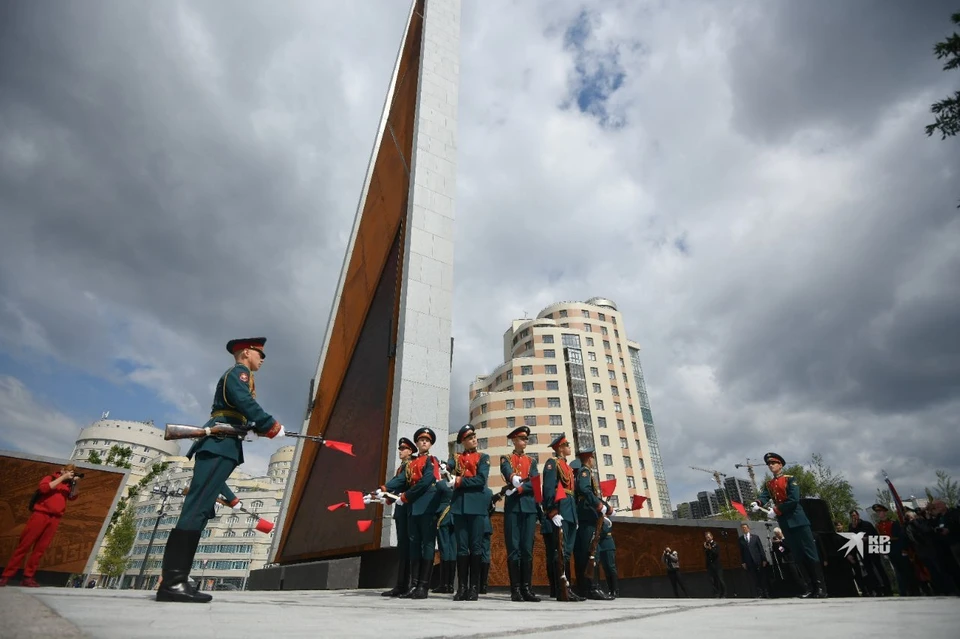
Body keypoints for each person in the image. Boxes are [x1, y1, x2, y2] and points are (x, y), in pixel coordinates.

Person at [156, 337, 284, 603]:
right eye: (260, 354)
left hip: (224, 443)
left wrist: (255, 427)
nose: (262, 358)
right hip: (219, 444)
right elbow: (241, 400)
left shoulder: (244, 374)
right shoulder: (240, 373)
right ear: (246, 352)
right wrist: (268, 423)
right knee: (197, 507)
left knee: (201, 510)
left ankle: (178, 579)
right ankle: (172, 582)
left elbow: (237, 409)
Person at [376, 427, 441, 599]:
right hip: (413, 508)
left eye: (427, 440)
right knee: (414, 546)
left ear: (431, 443)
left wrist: (406, 496)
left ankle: (423, 586)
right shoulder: (411, 464)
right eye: (421, 440)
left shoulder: (432, 460)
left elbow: (428, 480)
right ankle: (414, 585)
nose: (423, 442)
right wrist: (383, 489)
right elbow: (402, 479)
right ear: (417, 443)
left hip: (426, 506)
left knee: (427, 545)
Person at [753, 451, 826, 598]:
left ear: (780, 464)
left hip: (798, 520)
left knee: (810, 553)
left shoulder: (790, 479)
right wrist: (758, 502)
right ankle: (809, 587)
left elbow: (793, 499)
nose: (771, 466)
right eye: (769, 464)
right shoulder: (770, 483)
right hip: (785, 523)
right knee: (798, 556)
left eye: (773, 463)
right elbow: (765, 495)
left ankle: (820, 588)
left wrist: (777, 509)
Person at [1, 464, 80, 587]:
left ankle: (28, 577)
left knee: (40, 549)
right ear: (62, 470)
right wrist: (62, 477)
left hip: (55, 517)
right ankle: (6, 576)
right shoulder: (51, 478)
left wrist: (76, 483)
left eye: (72, 473)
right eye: (69, 471)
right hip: (40, 514)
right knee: (24, 545)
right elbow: (44, 489)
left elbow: (73, 497)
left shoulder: (68, 485)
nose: (70, 474)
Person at [447, 424, 490, 601]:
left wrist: (459, 480)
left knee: (476, 547)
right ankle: (462, 587)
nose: (474, 439)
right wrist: (444, 468)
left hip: (476, 507)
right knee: (462, 548)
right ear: (463, 441)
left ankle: (474, 587)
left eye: (474, 436)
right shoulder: (456, 458)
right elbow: (446, 468)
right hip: (459, 507)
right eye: (469, 437)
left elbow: (481, 480)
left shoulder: (483, 457)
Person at [499, 425, 540, 602]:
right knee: (514, 548)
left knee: (527, 549)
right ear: (514, 440)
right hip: (514, 509)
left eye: (526, 439)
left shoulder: (532, 461)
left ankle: (527, 588)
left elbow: (535, 482)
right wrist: (512, 479)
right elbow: (507, 472)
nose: (525, 442)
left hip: (529, 508)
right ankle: (515, 589)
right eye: (522, 439)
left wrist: (521, 487)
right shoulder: (506, 458)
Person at [541, 435, 584, 602]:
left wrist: (575, 516)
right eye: (566, 445)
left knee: (567, 552)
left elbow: (572, 491)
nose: (569, 447)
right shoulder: (553, 464)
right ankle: (561, 589)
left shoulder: (567, 466)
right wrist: (552, 511)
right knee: (560, 550)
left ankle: (567, 587)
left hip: (570, 509)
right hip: (561, 509)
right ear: (560, 448)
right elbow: (549, 488)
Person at [573, 447, 613, 600]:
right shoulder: (585, 472)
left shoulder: (585, 472)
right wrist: (598, 505)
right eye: (593, 458)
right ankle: (591, 588)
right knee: (591, 552)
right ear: (589, 458)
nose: (594, 461)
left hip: (588, 514)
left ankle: (586, 588)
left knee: (588, 552)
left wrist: (606, 507)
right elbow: (585, 489)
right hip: (587, 514)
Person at [383, 438, 418, 597]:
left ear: (410, 451)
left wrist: (384, 488)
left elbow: (402, 481)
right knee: (403, 547)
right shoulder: (401, 467)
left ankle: (409, 584)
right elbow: (399, 487)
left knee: (409, 547)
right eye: (400, 448)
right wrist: (389, 496)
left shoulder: (410, 465)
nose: (400, 451)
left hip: (408, 509)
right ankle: (400, 584)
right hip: (401, 510)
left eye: (403, 448)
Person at [849, 509, 891, 596]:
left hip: (872, 547)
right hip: (862, 550)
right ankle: (877, 589)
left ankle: (887, 589)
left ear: (858, 515)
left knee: (879, 568)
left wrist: (867, 538)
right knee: (869, 570)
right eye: (852, 516)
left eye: (855, 515)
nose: (854, 517)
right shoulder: (851, 527)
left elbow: (875, 535)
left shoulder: (866, 524)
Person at [433, 458, 457, 595]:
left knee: (444, 549)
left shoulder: (441, 484)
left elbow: (434, 501)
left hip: (443, 517)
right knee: (452, 550)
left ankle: (444, 584)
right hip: (454, 518)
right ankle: (450, 584)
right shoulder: (457, 482)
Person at [739, 523, 769, 598]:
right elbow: (741, 551)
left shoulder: (755, 537)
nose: (744, 529)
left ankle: (766, 592)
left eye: (745, 527)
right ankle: (759, 593)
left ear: (748, 528)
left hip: (758, 560)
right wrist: (743, 562)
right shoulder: (741, 539)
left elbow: (760, 549)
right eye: (742, 528)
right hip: (749, 562)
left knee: (762, 576)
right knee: (754, 578)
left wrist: (764, 559)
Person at [704, 531, 726, 598]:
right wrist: (706, 548)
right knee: (713, 580)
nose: (708, 538)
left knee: (720, 579)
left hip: (717, 565)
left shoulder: (715, 544)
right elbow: (706, 555)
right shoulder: (706, 545)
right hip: (710, 565)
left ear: (711, 536)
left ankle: (723, 593)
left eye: (708, 537)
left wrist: (710, 548)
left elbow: (716, 553)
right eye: (706, 537)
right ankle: (716, 594)